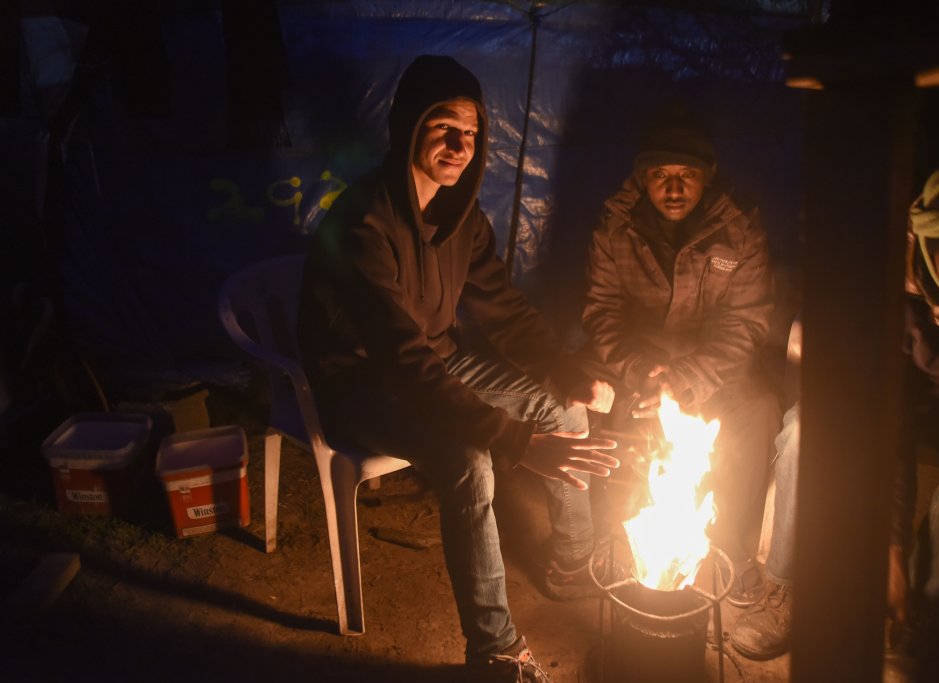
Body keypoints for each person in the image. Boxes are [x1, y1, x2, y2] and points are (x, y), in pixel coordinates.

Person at [297, 55, 619, 683]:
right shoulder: (366, 225)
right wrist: (517, 442)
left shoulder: (460, 217)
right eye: (443, 127)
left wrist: (565, 369)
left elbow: (504, 311)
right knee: (471, 465)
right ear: (408, 128)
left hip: (436, 363)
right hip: (363, 385)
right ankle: (495, 653)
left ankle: (574, 563)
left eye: (471, 134)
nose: (459, 145)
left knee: (565, 405)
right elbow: (405, 363)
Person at [732, 147, 939, 681]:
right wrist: (887, 544)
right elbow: (878, 422)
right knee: (807, 429)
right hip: (894, 396)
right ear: (930, 250)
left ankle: (917, 617)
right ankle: (791, 588)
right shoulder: (886, 282)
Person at [578, 103, 781, 604]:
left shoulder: (740, 227)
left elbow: (748, 321)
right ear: (643, 178)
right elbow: (601, 310)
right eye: (661, 176)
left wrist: (688, 378)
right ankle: (621, 542)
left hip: (716, 369)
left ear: (707, 177)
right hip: (638, 365)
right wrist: (642, 370)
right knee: (592, 405)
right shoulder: (615, 224)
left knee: (758, 415)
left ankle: (729, 548)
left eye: (687, 175)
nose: (673, 189)